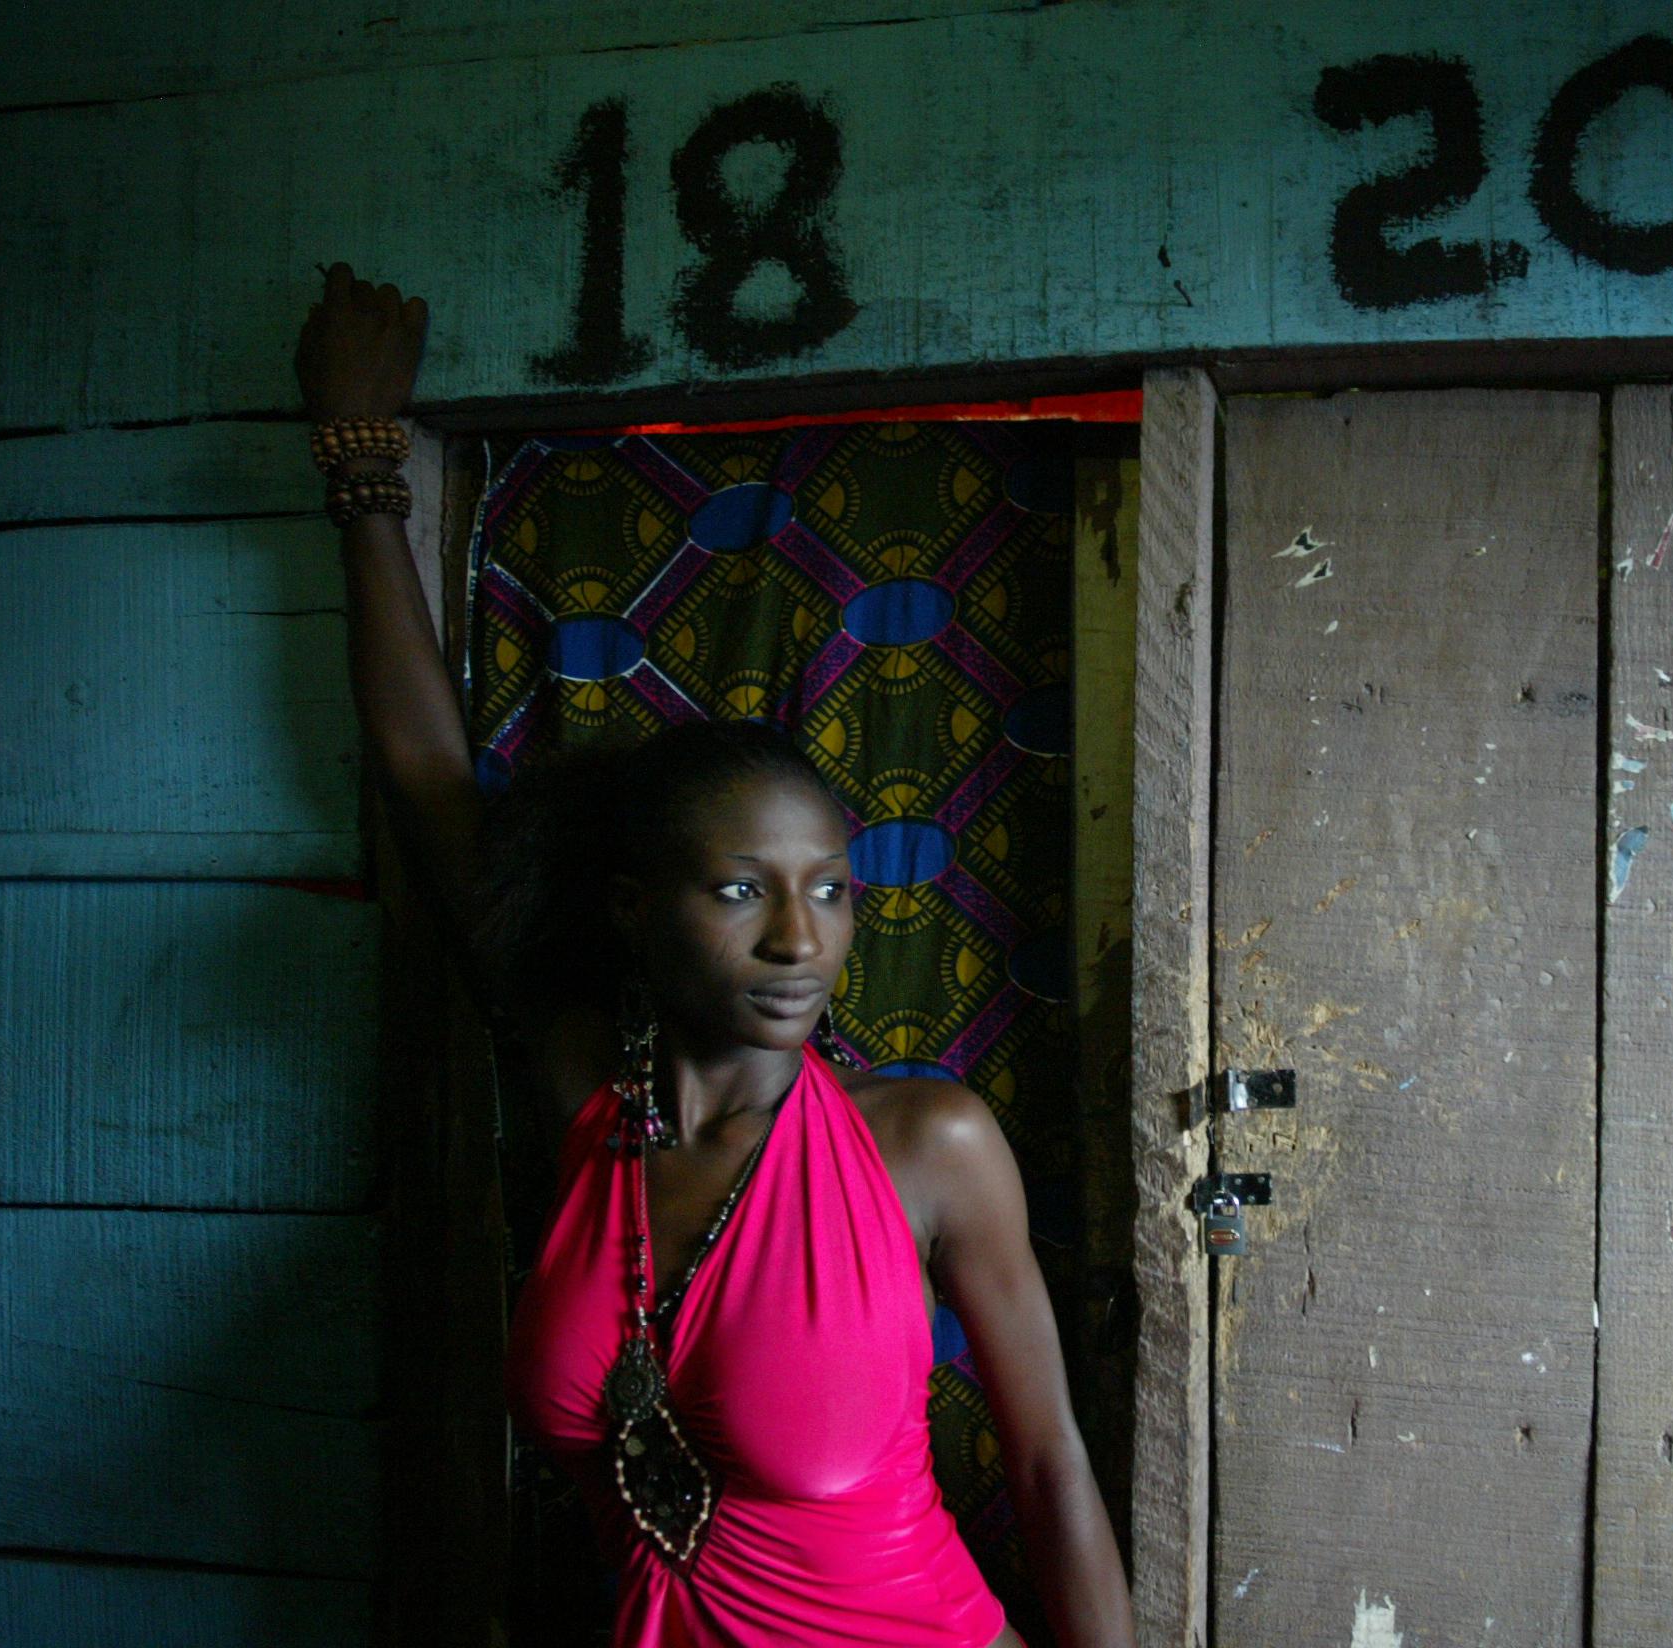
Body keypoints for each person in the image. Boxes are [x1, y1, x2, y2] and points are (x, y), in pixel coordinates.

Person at [295, 264, 1134, 1648]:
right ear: (633, 904)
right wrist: (359, 468)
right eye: (743, 890)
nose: (803, 940)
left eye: (833, 893)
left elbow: (1051, 1470)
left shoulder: (930, 1146)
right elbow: (428, 783)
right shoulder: (580, 1096)